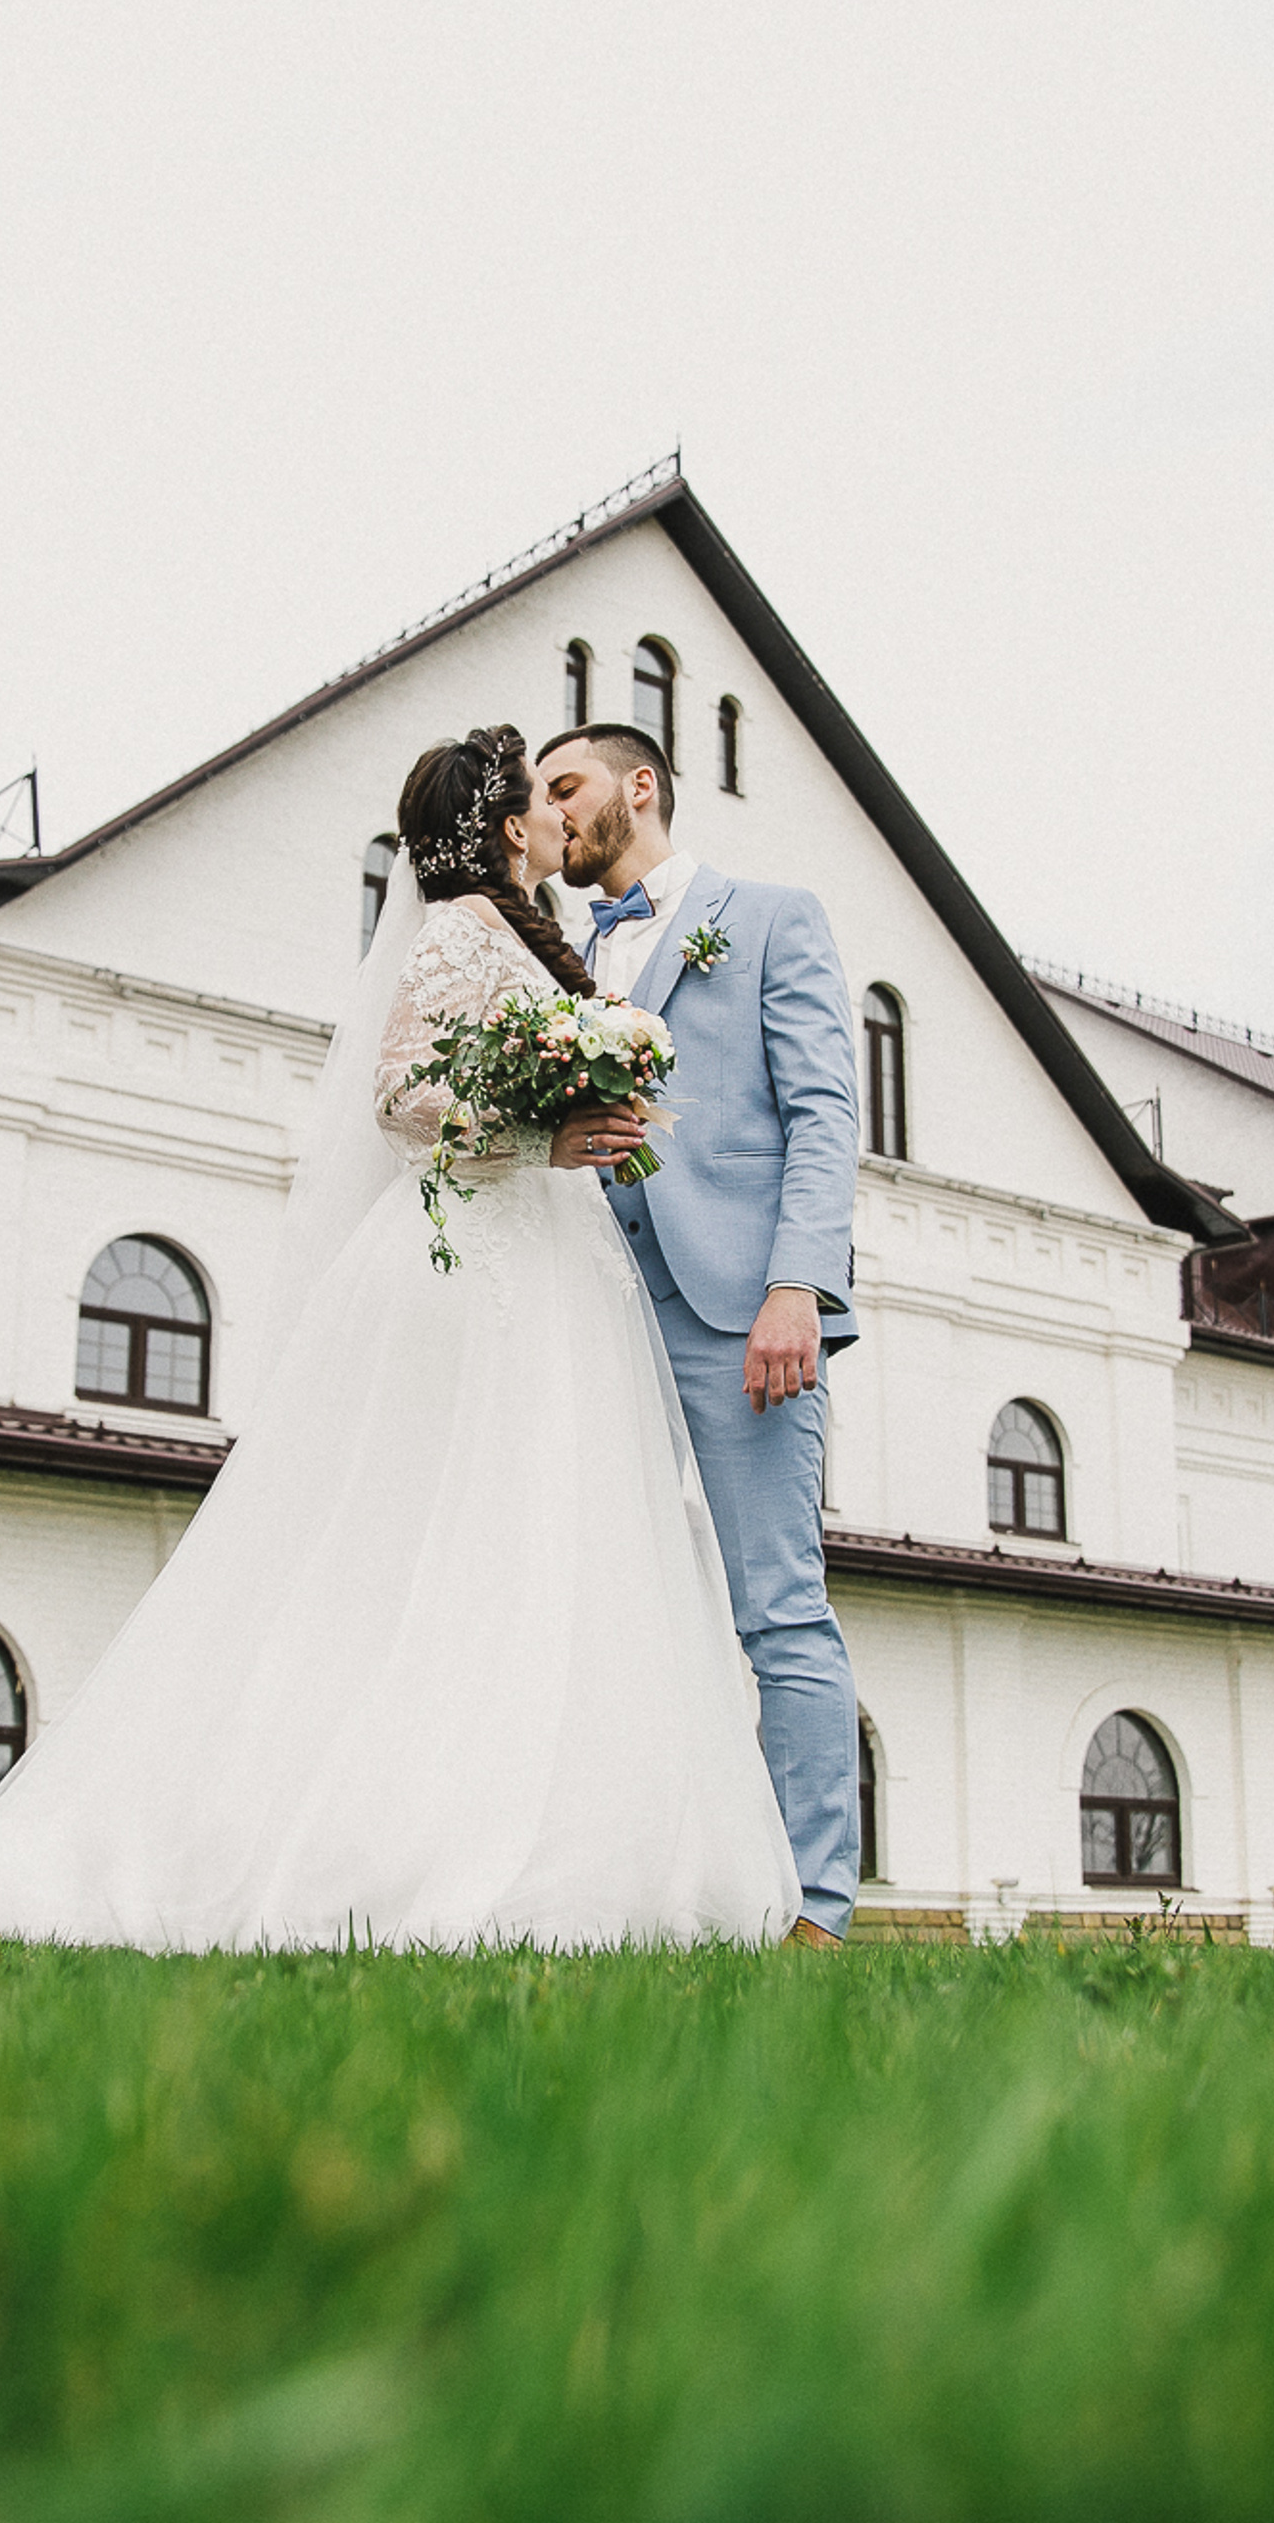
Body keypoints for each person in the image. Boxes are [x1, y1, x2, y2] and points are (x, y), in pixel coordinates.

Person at [0, 726, 799, 1952]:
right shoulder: (457, 929)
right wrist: (538, 1137)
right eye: (542, 802)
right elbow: (398, 1099)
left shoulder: (519, 932)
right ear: (507, 829)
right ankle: (410, 1838)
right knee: (450, 1545)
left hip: (548, 1268)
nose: (562, 817)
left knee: (543, 1544)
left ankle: (560, 1823)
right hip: (478, 1266)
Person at [538, 722, 863, 1946]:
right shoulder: (551, 952)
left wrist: (798, 1287)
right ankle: (652, 1892)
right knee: (610, 1606)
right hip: (583, 1303)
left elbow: (825, 1111)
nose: (552, 813)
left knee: (776, 1610)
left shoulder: (772, 916)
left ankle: (815, 1911)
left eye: (565, 788)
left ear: (640, 787)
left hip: (735, 1312)